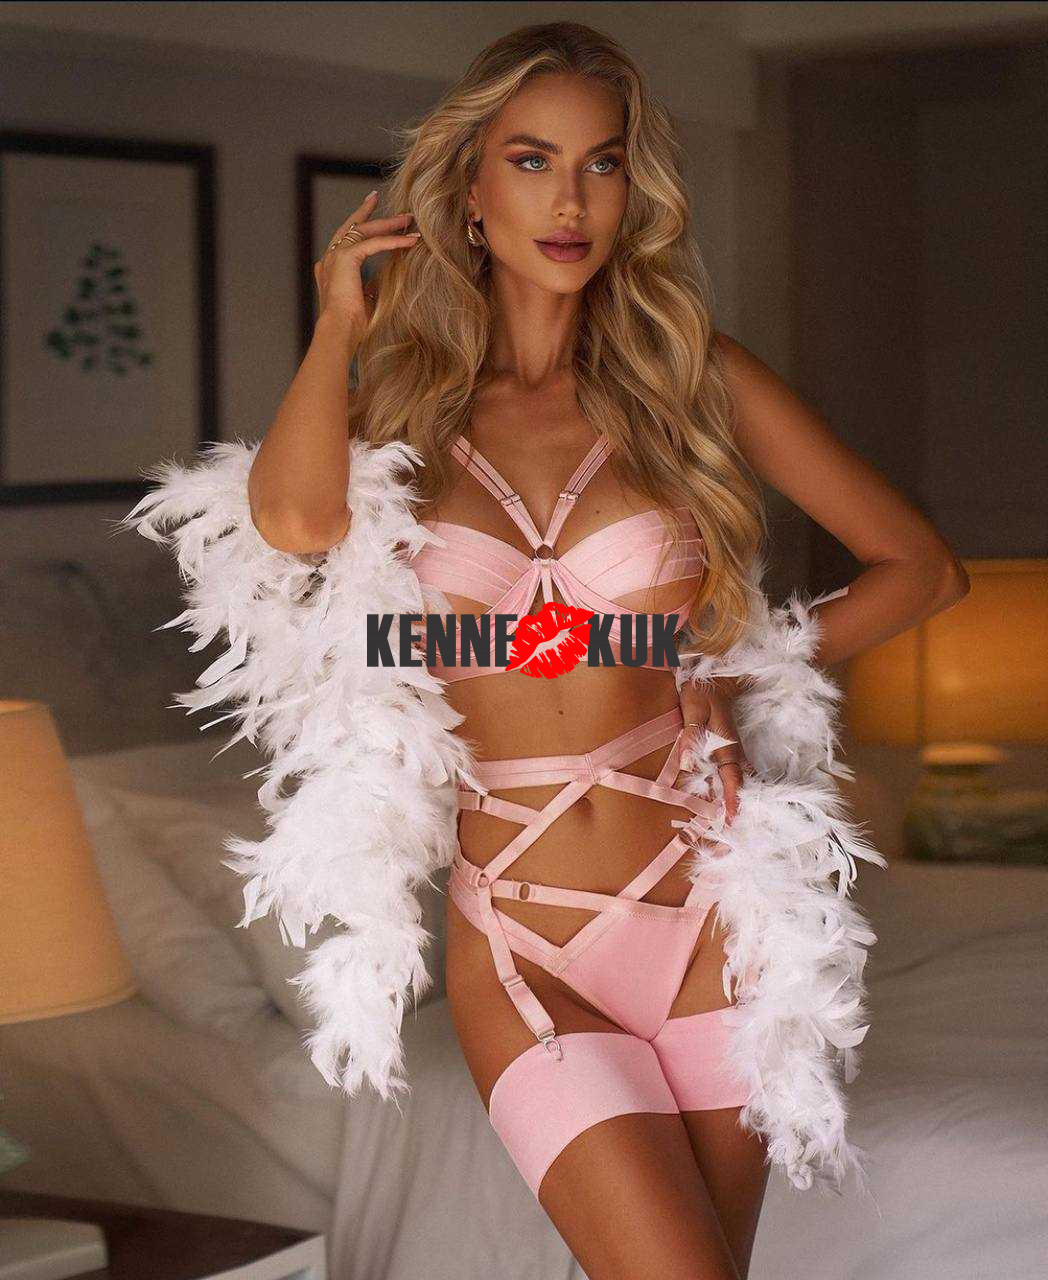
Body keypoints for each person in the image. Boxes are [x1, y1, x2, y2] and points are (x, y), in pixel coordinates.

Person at [128, 22, 968, 1280]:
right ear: (469, 190)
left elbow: (922, 568)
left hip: (717, 928)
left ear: (634, 190)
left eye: (601, 164)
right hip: (528, 946)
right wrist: (335, 325)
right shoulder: (398, 409)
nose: (570, 200)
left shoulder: (694, 380)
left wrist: (738, 669)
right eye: (531, 162)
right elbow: (295, 522)